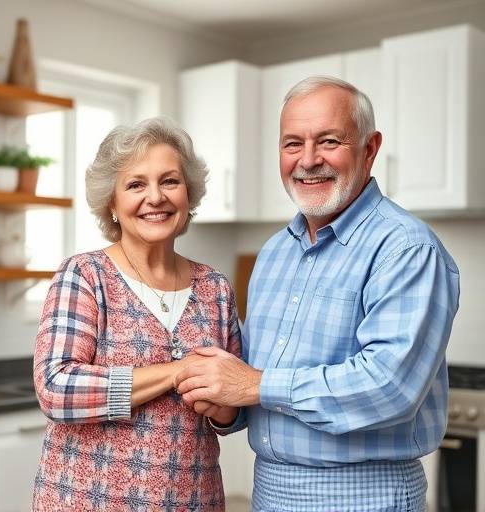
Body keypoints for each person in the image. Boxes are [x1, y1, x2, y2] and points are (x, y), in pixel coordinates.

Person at [176, 76, 460, 511]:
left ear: (370, 148)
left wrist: (253, 384)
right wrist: (219, 397)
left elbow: (389, 387)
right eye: (292, 144)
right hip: (269, 494)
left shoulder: (405, 248)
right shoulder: (273, 254)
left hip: (366, 499)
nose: (308, 160)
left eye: (328, 141)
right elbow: (250, 391)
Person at [32, 117, 241, 511]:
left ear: (188, 194)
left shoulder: (215, 287)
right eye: (135, 184)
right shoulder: (84, 275)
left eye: (170, 181)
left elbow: (231, 412)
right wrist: (177, 372)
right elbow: (55, 388)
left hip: (193, 501)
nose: (156, 197)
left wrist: (223, 404)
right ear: (111, 202)